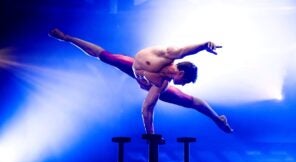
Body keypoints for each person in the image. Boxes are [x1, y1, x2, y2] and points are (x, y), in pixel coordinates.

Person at [49, 28, 233, 134]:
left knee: (189, 101)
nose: (183, 84)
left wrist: (150, 135)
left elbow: (147, 108)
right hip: (135, 67)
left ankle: (217, 118)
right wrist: (203, 45)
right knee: (104, 56)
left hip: (145, 78)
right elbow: (185, 50)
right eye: (185, 81)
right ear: (182, 73)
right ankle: (67, 38)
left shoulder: (161, 84)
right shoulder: (168, 54)